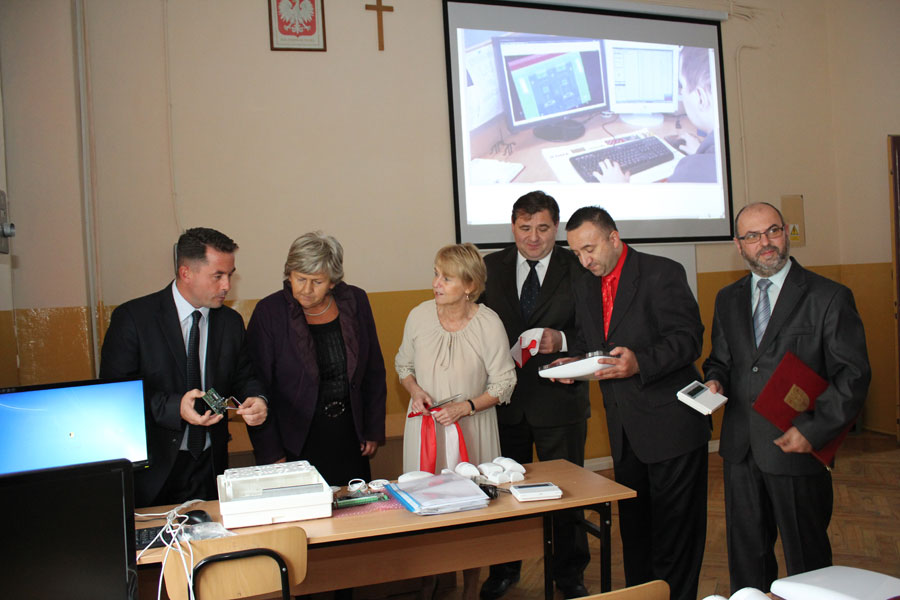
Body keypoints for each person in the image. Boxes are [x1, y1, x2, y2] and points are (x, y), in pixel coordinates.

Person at [702, 202, 870, 593]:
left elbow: (853, 375)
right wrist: (714, 382)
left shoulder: (828, 296)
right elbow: (720, 361)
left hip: (796, 447)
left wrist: (814, 429)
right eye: (753, 236)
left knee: (807, 561)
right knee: (748, 558)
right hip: (741, 450)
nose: (766, 242)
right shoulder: (727, 298)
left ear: (786, 232)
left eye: (773, 231)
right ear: (738, 245)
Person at [562, 206, 710, 600]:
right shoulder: (585, 284)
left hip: (672, 426)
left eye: (590, 249)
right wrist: (572, 363)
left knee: (675, 534)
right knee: (636, 531)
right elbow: (591, 343)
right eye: (576, 252)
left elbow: (688, 339)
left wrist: (639, 362)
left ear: (614, 238)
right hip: (625, 430)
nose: (584, 260)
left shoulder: (661, 273)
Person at [100, 227, 268, 508]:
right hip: (153, 470)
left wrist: (257, 399)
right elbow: (115, 397)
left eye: (230, 275)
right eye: (218, 276)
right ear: (186, 273)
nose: (227, 285)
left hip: (210, 465)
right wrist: (175, 407)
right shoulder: (134, 319)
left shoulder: (230, 323)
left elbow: (244, 377)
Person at [479, 191, 590, 600]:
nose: (533, 237)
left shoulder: (577, 266)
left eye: (543, 228)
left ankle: (569, 573)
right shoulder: (490, 267)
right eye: (525, 228)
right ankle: (504, 569)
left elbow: (599, 329)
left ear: (556, 228)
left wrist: (562, 340)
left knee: (567, 492)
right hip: (503, 403)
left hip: (559, 403)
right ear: (512, 226)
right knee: (500, 493)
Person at [395, 243, 516, 600]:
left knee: (472, 510)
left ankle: (470, 587)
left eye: (446, 278)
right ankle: (428, 582)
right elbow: (404, 365)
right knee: (423, 505)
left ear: (469, 285)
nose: (436, 283)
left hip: (472, 427)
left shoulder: (489, 323)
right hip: (425, 428)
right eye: (436, 274)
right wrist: (415, 390)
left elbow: (504, 384)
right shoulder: (418, 316)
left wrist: (466, 407)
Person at [246, 232, 386, 487]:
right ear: (289, 275)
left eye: (317, 282)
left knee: (354, 506)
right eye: (300, 279)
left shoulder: (356, 301)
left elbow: (373, 370)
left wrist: (372, 428)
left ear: (333, 281)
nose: (307, 290)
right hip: (294, 442)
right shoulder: (269, 312)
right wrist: (271, 453)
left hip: (349, 435)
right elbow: (256, 385)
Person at [594, 45, 718, 184]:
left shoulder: (689, 173)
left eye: (682, 85)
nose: (681, 92)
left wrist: (619, 188)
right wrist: (700, 153)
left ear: (700, 97)